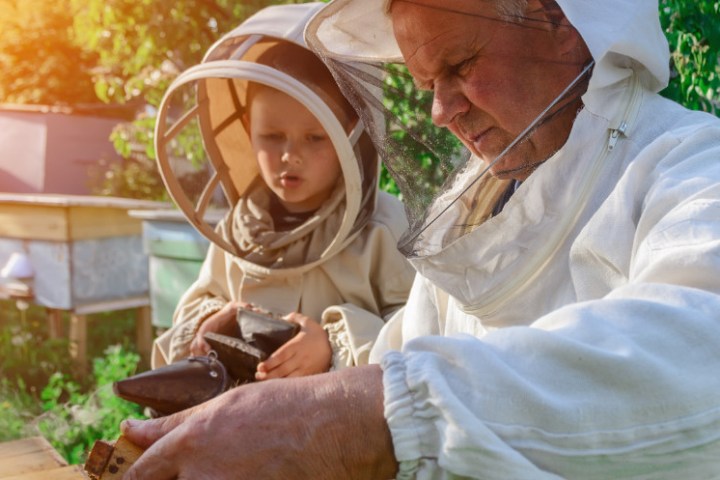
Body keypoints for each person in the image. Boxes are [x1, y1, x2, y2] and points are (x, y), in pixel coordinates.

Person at [122, 0, 720, 478]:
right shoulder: (476, 212)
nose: (439, 110)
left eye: (460, 66)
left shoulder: (692, 163)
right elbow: (397, 359)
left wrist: (378, 417)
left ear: (561, 23)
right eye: (426, 80)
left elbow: (699, 346)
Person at [150, 2, 414, 381]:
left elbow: (420, 333)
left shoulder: (384, 229)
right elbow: (197, 306)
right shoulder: (237, 228)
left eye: (315, 137)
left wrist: (333, 344)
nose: (290, 156)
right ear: (246, 127)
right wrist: (208, 323)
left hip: (339, 431)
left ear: (350, 134)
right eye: (272, 137)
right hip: (244, 423)